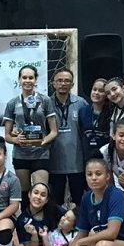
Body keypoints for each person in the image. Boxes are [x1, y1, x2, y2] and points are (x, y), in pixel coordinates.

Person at [4, 65, 58, 207]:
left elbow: (54, 131)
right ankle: (25, 219)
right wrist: (15, 139)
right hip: (21, 154)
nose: (27, 80)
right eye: (24, 77)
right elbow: (7, 136)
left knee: (41, 192)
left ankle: (43, 220)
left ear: (36, 80)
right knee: (24, 194)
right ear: (19, 80)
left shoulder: (45, 100)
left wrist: (43, 141)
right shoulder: (12, 103)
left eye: (31, 77)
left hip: (41, 153)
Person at [48, 68, 88, 207]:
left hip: (77, 163)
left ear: (72, 84)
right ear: (53, 83)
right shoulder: (46, 104)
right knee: (55, 203)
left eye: (67, 81)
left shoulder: (81, 103)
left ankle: (80, 221)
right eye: (59, 80)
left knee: (79, 201)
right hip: (54, 162)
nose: (63, 83)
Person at [16, 182, 62, 246]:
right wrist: (34, 235)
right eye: (36, 193)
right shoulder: (22, 220)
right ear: (29, 194)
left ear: (47, 200)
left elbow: (72, 217)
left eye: (43, 195)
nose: (38, 197)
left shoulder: (54, 209)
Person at [78, 78, 111, 159]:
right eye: (94, 89)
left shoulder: (111, 112)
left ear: (106, 95)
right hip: (87, 156)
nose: (96, 93)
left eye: (101, 91)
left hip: (106, 157)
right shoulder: (83, 111)